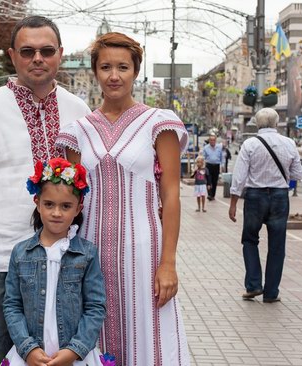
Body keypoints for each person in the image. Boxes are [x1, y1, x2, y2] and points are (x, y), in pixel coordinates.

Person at [0, 15, 91, 365]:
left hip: (65, 261)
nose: (37, 58)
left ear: (60, 54)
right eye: (27, 51)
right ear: (12, 56)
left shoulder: (79, 112)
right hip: (0, 260)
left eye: (46, 50)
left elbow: (92, 184)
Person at [56, 32, 190, 366]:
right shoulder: (78, 131)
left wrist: (168, 263)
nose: (114, 75)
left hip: (144, 251)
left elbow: (171, 194)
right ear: (95, 72)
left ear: (135, 71)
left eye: (123, 67)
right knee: (92, 331)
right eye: (105, 67)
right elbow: (73, 201)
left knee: (148, 335)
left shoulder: (159, 124)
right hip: (89, 249)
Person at [3, 158, 106, 366]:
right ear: (37, 203)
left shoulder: (87, 254)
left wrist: (74, 350)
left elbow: (95, 307)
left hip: (75, 356)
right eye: (49, 204)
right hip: (31, 356)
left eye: (66, 206)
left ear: (78, 209)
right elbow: (12, 305)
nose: (56, 213)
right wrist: (28, 348)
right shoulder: (20, 253)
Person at [228, 108, 302, 303]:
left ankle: (253, 285)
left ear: (257, 124)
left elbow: (239, 175)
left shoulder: (250, 144)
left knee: (250, 239)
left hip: (255, 197)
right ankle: (271, 293)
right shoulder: (289, 143)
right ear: (276, 124)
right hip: (280, 196)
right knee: (277, 245)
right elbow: (298, 174)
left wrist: (234, 202)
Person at [203, 134, 223, 200]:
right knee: (209, 180)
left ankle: (213, 195)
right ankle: (209, 194)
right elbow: (203, 157)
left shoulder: (219, 147)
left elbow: (221, 157)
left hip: (216, 165)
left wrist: (222, 165)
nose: (212, 141)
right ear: (209, 141)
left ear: (215, 141)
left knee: (214, 181)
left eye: (213, 140)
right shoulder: (206, 148)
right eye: (211, 140)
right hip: (209, 165)